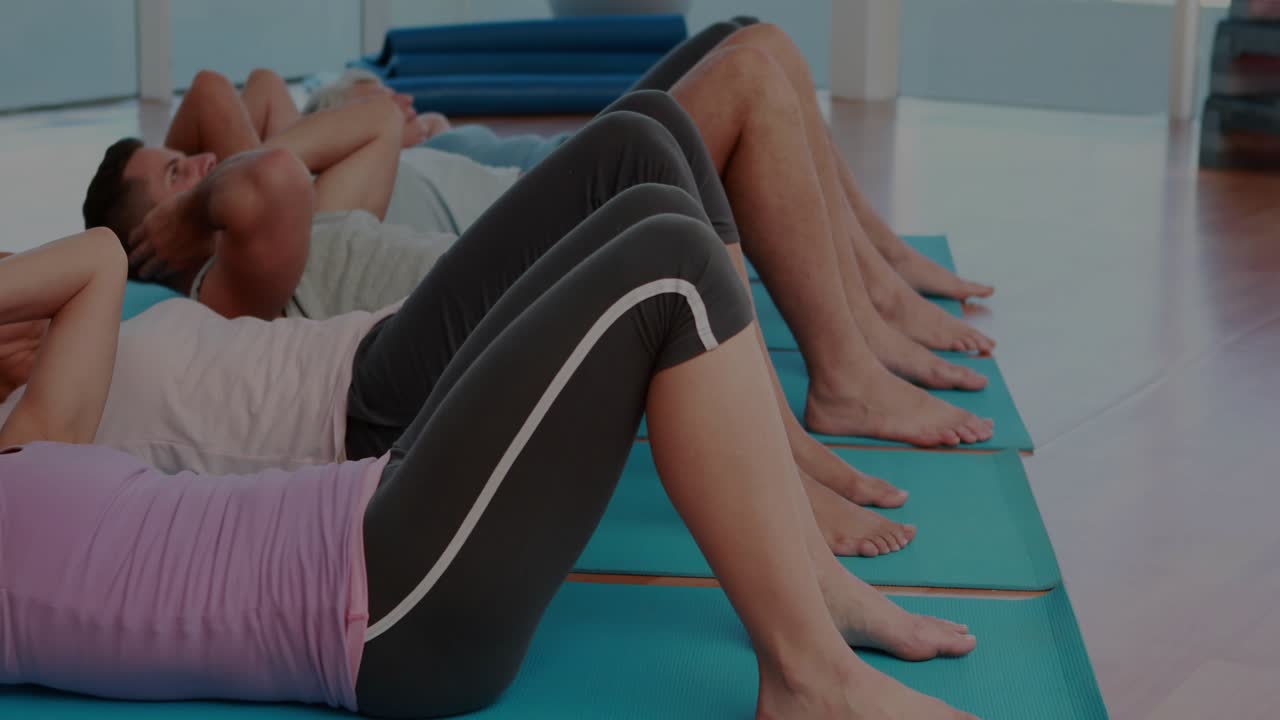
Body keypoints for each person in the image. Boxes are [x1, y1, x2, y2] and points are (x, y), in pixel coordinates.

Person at [0, 216, 979, 720]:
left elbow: (99, 258)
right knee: (671, 272)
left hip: (385, 515)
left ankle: (812, 602)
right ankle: (809, 679)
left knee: (642, 208)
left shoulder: (31, 437)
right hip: (382, 606)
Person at [16, 111, 916, 557]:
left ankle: (785, 451)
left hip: (387, 355)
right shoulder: (40, 421)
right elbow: (116, 245)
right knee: (637, 157)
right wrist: (172, 227)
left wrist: (178, 210)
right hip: (369, 409)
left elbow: (312, 130)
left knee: (649, 148)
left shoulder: (99, 337)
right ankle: (787, 475)